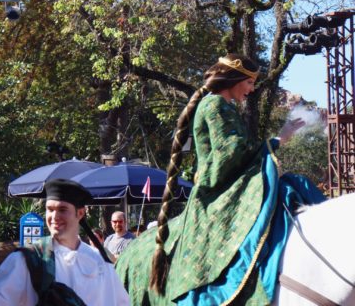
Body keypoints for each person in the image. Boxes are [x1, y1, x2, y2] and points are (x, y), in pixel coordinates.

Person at [115, 54, 326, 305]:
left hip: (227, 185)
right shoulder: (214, 105)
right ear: (234, 79)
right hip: (215, 191)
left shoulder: (223, 106)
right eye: (248, 83)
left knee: (293, 188)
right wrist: (277, 140)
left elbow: (236, 151)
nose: (251, 89)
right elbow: (229, 154)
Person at [0, 179, 130, 305]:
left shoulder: (100, 264)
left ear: (80, 213)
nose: (54, 217)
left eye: (62, 210)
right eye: (50, 209)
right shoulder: (30, 259)